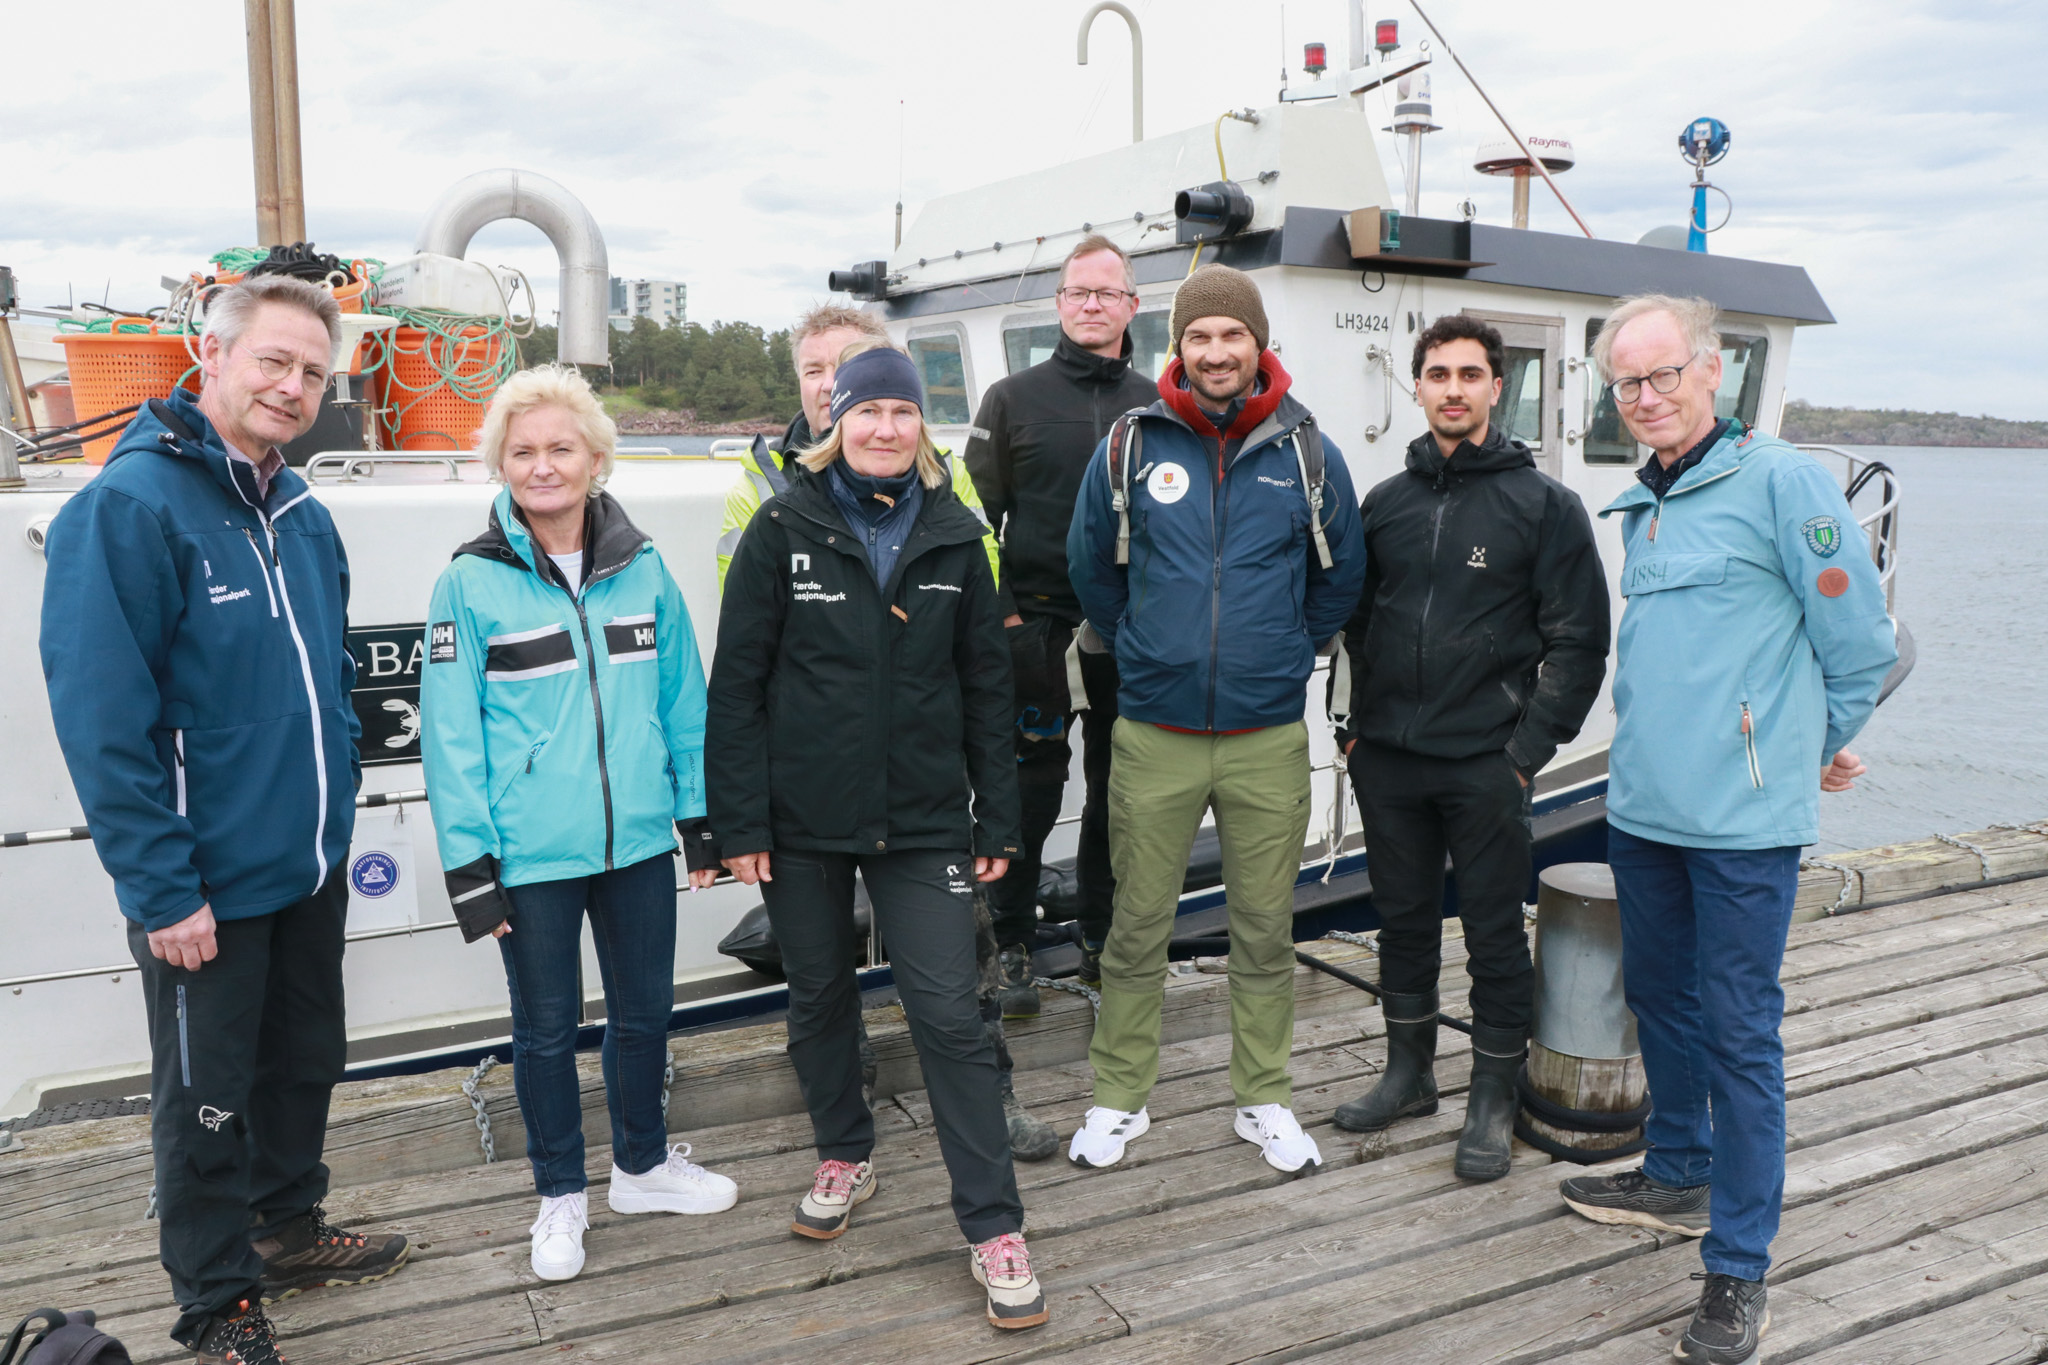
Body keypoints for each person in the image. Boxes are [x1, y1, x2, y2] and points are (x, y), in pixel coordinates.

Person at [39, 275, 407, 1365]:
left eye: (312, 373)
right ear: (213, 355)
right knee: (205, 1103)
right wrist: (163, 889)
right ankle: (214, 1300)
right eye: (273, 362)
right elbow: (105, 723)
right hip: (205, 884)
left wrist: (334, 821)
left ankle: (288, 1228)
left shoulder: (301, 511)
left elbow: (328, 680)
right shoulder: (129, 508)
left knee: (304, 1062)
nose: (292, 388)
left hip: (305, 865)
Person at [1556, 294, 1897, 1365]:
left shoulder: (1784, 482)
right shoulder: (1643, 506)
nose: (1645, 397)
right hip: (1645, 809)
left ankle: (1736, 1265)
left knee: (1739, 1033)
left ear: (1712, 373)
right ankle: (1674, 1165)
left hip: (1743, 825)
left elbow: (1860, 642)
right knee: (1657, 996)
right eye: (1626, 383)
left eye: (1661, 375)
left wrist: (1806, 747)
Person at [707, 343, 1046, 1330]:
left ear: (920, 427)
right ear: (835, 421)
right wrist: (740, 822)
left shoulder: (952, 530)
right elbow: (737, 689)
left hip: (925, 819)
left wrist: (999, 816)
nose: (885, 428)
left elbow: (989, 686)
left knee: (947, 1012)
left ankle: (992, 1224)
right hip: (801, 819)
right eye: (867, 412)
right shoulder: (781, 527)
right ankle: (844, 1154)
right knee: (818, 996)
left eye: (902, 412)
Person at [420, 365, 737, 1285]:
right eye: (522, 450)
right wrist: (471, 868)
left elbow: (683, 700)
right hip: (530, 856)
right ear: (500, 464)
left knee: (645, 1014)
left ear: (596, 458)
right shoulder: (469, 584)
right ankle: (560, 1193)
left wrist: (699, 821)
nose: (542, 465)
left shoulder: (641, 567)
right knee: (545, 1029)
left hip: (636, 840)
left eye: (561, 447)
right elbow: (451, 740)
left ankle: (642, 1165)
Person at [1065, 264, 1367, 1177]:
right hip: (1154, 731)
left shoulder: (1308, 452)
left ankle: (1264, 1095)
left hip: (1267, 734)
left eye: (1232, 335)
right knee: (1136, 925)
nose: (1217, 352)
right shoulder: (1129, 444)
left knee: (1266, 926)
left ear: (1257, 342)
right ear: (1178, 348)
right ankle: (1119, 1098)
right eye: (1200, 337)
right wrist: (1155, 652)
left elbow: (1338, 578)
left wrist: (1277, 654)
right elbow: (1092, 571)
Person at [1330, 316, 1609, 1181]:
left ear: (1497, 387)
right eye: (1438, 373)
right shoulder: (1386, 505)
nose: (1454, 388)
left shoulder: (1545, 506)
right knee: (1401, 918)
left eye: (1471, 374)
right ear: (1417, 386)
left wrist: (1525, 750)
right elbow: (1354, 626)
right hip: (1389, 757)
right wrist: (1350, 728)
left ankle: (1493, 1093)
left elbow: (1580, 643)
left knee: (1492, 930)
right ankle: (1409, 1071)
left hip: (1488, 760)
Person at [964, 234, 1159, 1016]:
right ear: (1058, 304)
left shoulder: (1158, 403)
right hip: (1033, 633)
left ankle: (1102, 940)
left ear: (1130, 306)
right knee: (1026, 795)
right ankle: (1009, 944)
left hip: (1131, 636)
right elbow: (973, 522)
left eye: (1106, 293)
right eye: (1078, 292)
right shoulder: (1010, 400)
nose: (1090, 305)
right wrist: (1005, 619)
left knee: (1121, 794)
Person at [717, 304, 996, 591]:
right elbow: (744, 602)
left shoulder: (944, 469)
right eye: (813, 371)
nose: (828, 384)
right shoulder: (760, 480)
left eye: (844, 366)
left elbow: (982, 578)